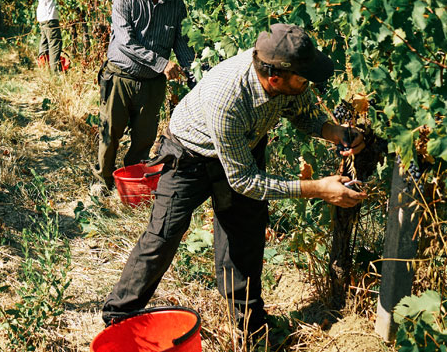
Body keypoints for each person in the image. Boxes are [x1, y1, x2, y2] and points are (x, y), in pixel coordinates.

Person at [101, 23, 367, 338]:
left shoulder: (284, 76)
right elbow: (244, 181)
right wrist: (318, 188)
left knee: (245, 237)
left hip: (244, 147)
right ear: (275, 78)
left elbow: (302, 112)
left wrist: (333, 131)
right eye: (302, 78)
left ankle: (250, 327)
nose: (307, 83)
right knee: (163, 235)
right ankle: (118, 317)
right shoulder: (228, 97)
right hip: (189, 157)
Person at [93, 0, 194, 191]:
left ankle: (132, 185)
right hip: (120, 77)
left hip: (152, 84)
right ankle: (102, 182)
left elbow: (182, 45)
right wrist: (162, 64)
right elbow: (125, 42)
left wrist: (195, 79)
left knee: (144, 137)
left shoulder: (176, 5)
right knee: (110, 133)